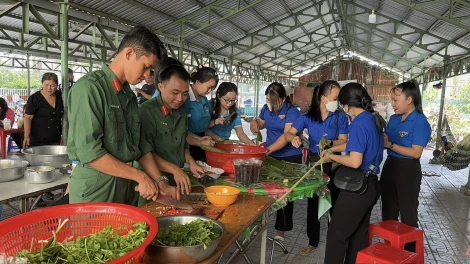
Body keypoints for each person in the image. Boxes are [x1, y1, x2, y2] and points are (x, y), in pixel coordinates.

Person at [67, 25, 177, 205]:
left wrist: (160, 181)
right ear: (129, 53)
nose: (148, 76)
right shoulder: (90, 88)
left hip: (126, 186)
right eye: (147, 67)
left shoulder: (129, 96)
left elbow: (140, 145)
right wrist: (140, 176)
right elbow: (90, 152)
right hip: (97, 189)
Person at [266, 80, 349, 255]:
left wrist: (330, 143)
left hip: (334, 162)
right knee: (314, 205)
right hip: (314, 164)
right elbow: (289, 133)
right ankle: (313, 241)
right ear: (323, 98)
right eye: (335, 97)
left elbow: (344, 140)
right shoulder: (307, 117)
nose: (338, 101)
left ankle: (335, 243)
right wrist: (292, 138)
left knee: (334, 204)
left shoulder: (339, 116)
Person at [321, 82, 385, 263]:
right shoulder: (372, 118)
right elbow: (354, 145)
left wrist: (331, 158)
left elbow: (355, 161)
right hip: (371, 185)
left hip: (358, 188)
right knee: (357, 236)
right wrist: (333, 149)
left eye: (341, 104)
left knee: (336, 235)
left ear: (347, 104)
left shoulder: (358, 123)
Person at [138, 64, 205, 203]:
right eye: (175, 93)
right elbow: (144, 153)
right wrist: (174, 169)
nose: (180, 98)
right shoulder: (146, 112)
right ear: (161, 87)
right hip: (152, 185)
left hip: (175, 183)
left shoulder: (181, 112)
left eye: (185, 93)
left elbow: (182, 146)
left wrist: (192, 163)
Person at [381, 81, 431, 252]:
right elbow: (384, 140)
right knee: (388, 211)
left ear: (409, 99)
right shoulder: (394, 119)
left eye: (396, 100)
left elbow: (416, 153)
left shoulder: (419, 121)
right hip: (390, 166)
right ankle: (390, 251)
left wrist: (391, 145)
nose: (392, 104)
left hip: (408, 169)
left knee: (408, 214)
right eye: (392, 100)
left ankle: (409, 255)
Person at [249, 82, 302, 243]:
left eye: (274, 100)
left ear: (283, 99)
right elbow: (261, 122)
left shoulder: (292, 112)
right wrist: (254, 123)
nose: (270, 103)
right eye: (267, 99)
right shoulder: (267, 109)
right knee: (265, 189)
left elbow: (286, 136)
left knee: (285, 193)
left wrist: (268, 150)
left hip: (289, 156)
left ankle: (281, 230)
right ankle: (259, 223)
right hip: (270, 155)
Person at [184, 66, 219, 160]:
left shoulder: (204, 100)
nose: (209, 91)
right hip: (188, 143)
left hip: (203, 141)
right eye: (209, 87)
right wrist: (199, 140)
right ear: (198, 82)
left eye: (212, 89)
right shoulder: (185, 98)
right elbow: (182, 130)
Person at [23, 72, 64, 148]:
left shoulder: (60, 96)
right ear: (42, 84)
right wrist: (26, 135)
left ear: (56, 86)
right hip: (38, 138)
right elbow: (28, 118)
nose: (49, 88)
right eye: (46, 85)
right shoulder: (35, 98)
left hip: (55, 138)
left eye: (52, 85)